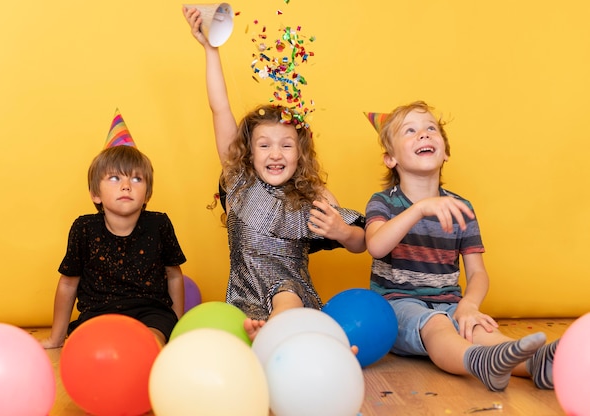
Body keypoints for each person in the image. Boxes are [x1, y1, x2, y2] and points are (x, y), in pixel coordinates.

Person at [183, 6, 367, 341]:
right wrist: (211, 49)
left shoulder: (309, 201)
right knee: (230, 334)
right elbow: (219, 106)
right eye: (264, 145)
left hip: (291, 295)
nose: (276, 153)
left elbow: (362, 241)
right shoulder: (239, 184)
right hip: (242, 296)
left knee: (286, 293)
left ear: (301, 153)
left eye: (286, 145)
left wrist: (341, 231)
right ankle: (290, 339)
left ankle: (284, 334)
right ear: (248, 153)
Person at [364, 100, 558, 391]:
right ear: (390, 158)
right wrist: (418, 209)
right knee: (436, 325)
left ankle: (537, 364)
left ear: (446, 153)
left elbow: (478, 273)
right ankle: (477, 362)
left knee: (477, 327)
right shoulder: (384, 203)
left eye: (431, 129)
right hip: (398, 307)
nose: (424, 134)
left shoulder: (461, 208)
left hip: (450, 302)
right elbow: (377, 246)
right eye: (410, 131)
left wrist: (468, 305)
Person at [40, 144, 186, 348]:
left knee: (151, 342)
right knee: (94, 346)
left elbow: (174, 274)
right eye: (115, 178)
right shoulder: (84, 228)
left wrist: (176, 326)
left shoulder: (158, 225)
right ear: (95, 194)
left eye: (136, 179)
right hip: (99, 314)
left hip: (151, 312)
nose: (126, 185)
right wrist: (56, 338)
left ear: (147, 195)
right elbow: (68, 283)